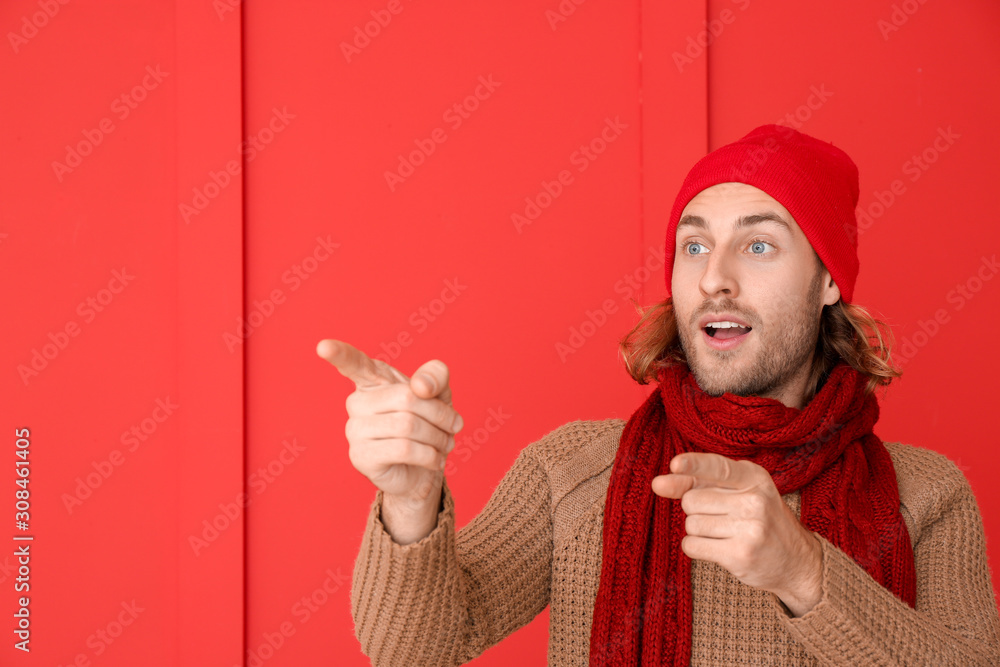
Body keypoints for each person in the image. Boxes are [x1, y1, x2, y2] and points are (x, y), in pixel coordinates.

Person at [317, 124, 1000, 666]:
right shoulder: (572, 471)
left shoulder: (927, 493)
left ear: (829, 281)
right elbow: (413, 647)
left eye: (759, 246)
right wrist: (409, 500)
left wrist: (805, 572)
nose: (715, 280)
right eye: (693, 246)